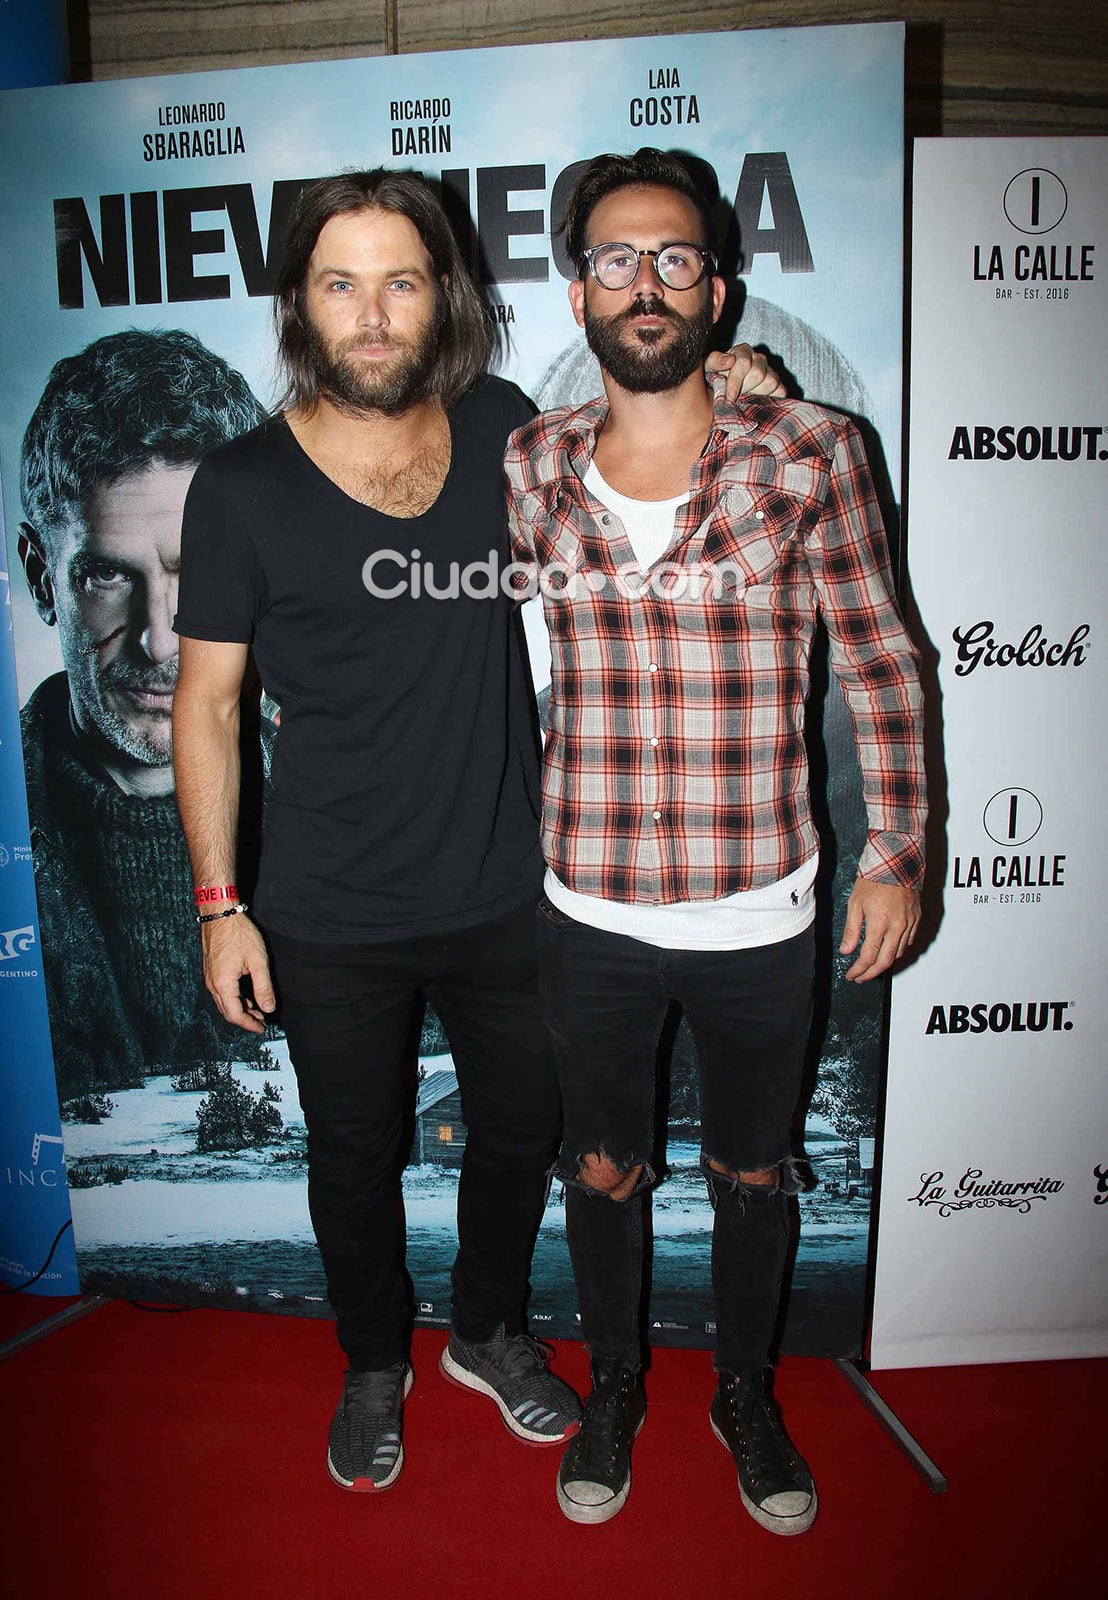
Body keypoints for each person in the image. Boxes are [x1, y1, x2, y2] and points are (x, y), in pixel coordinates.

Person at [171, 167, 781, 1494]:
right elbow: (207, 707)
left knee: (521, 1136)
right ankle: (374, 1359)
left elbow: (642, 451)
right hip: (326, 905)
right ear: (299, 304)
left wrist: (730, 386)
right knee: (351, 1153)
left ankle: (489, 1327)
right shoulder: (239, 487)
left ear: (441, 294)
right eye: (341, 283)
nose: (373, 313)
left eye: (400, 281)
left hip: (514, 888)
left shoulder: (507, 426)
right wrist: (222, 902)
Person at [504, 148, 926, 1531]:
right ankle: (617, 1381)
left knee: (755, 1174)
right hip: (591, 907)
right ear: (578, 292)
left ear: (718, 288)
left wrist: (900, 851)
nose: (646, 283)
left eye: (674, 258)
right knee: (604, 1168)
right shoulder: (531, 463)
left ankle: (744, 1390)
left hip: (765, 910)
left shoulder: (812, 453)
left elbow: (880, 659)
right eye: (617, 259)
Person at [17, 329, 268, 1098]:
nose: (162, 638)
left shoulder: (363, 809)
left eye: (201, 571)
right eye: (106, 578)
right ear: (40, 576)